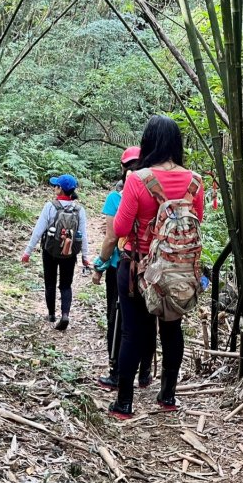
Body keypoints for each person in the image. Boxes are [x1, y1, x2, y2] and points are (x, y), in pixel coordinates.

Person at [108, 116, 204, 418]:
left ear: (148, 142)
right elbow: (197, 223)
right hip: (177, 271)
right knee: (172, 330)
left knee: (133, 333)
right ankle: (168, 395)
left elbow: (121, 227)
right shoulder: (195, 181)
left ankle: (124, 401)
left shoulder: (137, 179)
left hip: (139, 268)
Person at [94, 147, 154, 391]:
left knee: (119, 321)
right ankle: (145, 373)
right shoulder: (154, 191)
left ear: (123, 168)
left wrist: (99, 265)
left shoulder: (115, 197)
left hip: (123, 267)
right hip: (152, 268)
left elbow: (111, 238)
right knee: (148, 320)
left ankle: (117, 372)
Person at [21, 174, 90, 330]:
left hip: (50, 250)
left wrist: (28, 252)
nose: (54, 188)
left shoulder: (50, 206)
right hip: (69, 252)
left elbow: (38, 230)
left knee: (50, 283)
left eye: (56, 186)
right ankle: (65, 314)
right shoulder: (79, 210)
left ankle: (51, 314)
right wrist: (85, 257)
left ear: (60, 189)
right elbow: (83, 235)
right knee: (66, 285)